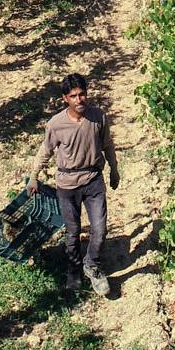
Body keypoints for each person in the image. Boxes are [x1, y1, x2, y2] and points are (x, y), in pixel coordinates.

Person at [28, 73, 120, 295]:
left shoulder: (98, 117)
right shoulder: (56, 124)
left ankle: (92, 265)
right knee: (72, 231)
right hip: (68, 185)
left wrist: (114, 169)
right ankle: (73, 271)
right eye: (73, 96)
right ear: (65, 99)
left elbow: (108, 144)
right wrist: (34, 176)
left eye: (82, 94)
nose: (79, 100)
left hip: (93, 180)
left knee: (100, 229)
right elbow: (45, 151)